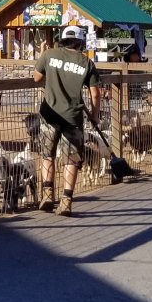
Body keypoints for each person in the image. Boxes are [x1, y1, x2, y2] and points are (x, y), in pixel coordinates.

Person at [34, 25, 104, 217]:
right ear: (81, 42)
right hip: (73, 117)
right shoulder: (86, 63)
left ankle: (48, 193)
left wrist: (42, 56)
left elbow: (36, 77)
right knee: (71, 159)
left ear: (62, 39)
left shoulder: (49, 55)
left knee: (48, 154)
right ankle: (66, 201)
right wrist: (95, 114)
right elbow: (95, 94)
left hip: (49, 114)